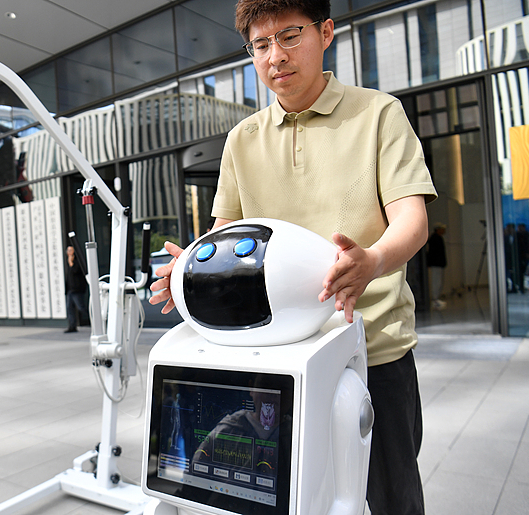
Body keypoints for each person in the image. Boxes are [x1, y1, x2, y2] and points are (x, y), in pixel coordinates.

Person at [149, 2, 437, 514]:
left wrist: (369, 260)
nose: (275, 57)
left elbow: (411, 221)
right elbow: (225, 234)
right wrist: (189, 269)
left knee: (390, 499)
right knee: (292, 498)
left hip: (373, 351)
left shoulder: (377, 114)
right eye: (260, 46)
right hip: (278, 358)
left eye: (289, 36)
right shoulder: (243, 139)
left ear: (325, 33)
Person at [64, 245, 88, 333]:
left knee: (81, 307)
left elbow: (76, 271)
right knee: (69, 308)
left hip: (77, 290)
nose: (69, 252)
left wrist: (71, 263)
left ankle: (93, 321)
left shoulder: (78, 262)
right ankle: (72, 326)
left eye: (70, 250)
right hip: (70, 290)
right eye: (68, 250)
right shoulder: (68, 262)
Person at [426, 223, 447, 310]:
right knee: (436, 281)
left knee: (438, 281)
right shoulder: (435, 238)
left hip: (438, 263)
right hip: (436, 263)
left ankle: (437, 298)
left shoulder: (438, 238)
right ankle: (435, 300)